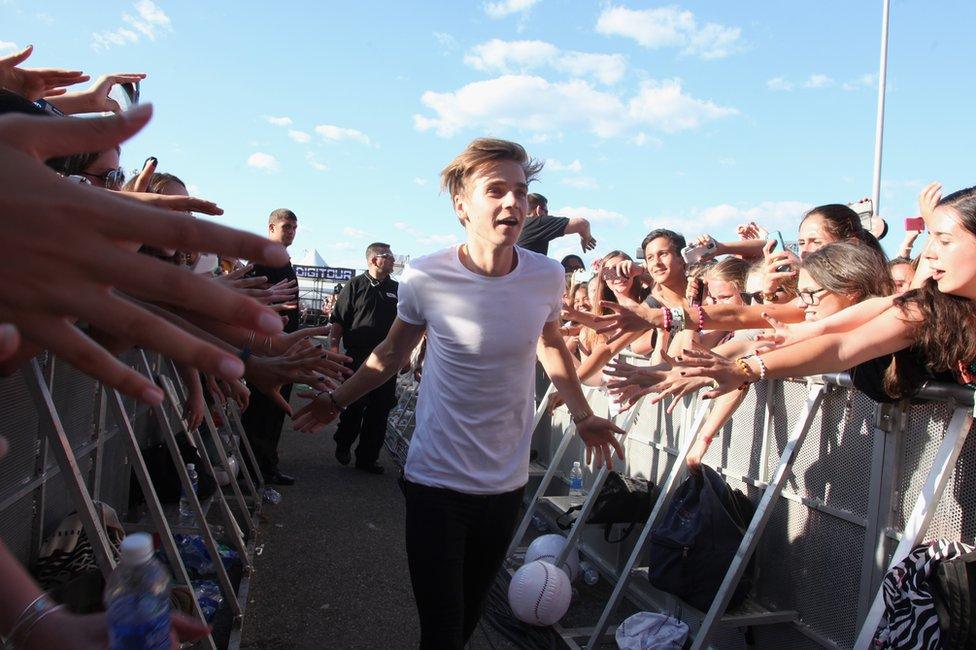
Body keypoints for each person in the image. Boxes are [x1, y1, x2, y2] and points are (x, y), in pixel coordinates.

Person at [290, 138, 625, 648]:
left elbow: (551, 342)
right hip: (436, 482)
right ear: (462, 206)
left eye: (521, 191)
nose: (513, 202)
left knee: (468, 617)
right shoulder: (427, 275)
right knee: (443, 630)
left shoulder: (546, 276)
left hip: (504, 485)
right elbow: (389, 355)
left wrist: (582, 414)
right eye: (497, 190)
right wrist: (336, 401)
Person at [240, 208, 301, 486]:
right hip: (263, 348)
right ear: (271, 227)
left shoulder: (285, 261)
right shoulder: (260, 259)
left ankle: (268, 465)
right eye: (287, 226)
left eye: (294, 228)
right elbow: (245, 300)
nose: (291, 232)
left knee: (275, 411)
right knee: (260, 411)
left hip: (284, 347)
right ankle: (251, 470)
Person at [329, 242, 399, 474]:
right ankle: (344, 441)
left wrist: (406, 355)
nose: (392, 259)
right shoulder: (355, 285)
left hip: (387, 359)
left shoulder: (397, 289)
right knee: (354, 404)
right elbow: (338, 320)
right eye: (386, 255)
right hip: (358, 356)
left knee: (380, 410)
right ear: (373, 260)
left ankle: (368, 458)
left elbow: (406, 325)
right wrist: (334, 349)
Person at [516, 193, 596, 255]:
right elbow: (583, 224)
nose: (547, 215)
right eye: (546, 211)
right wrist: (585, 238)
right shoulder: (538, 222)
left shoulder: (516, 225)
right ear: (539, 210)